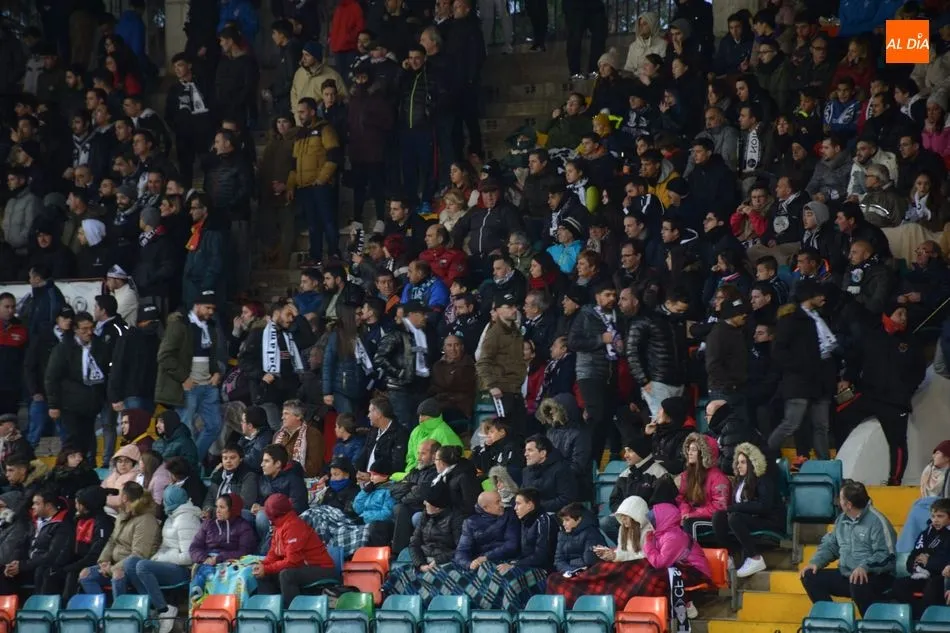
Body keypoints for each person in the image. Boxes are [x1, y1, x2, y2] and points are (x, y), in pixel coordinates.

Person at [837, 303, 926, 485]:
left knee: (898, 442)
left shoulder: (911, 340)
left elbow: (919, 370)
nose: (903, 318)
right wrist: (847, 379)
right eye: (899, 313)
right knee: (840, 415)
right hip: (869, 393)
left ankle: (895, 481)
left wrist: (906, 389)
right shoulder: (871, 335)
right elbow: (855, 359)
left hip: (895, 400)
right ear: (888, 314)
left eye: (905, 314)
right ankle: (839, 466)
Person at [800, 480, 896, 616]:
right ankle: (832, 620)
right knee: (809, 577)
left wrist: (864, 567)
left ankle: (870, 622)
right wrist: (816, 562)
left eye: (840, 498)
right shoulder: (841, 520)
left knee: (858, 581)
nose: (838, 502)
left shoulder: (877, 522)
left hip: (876, 576)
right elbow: (831, 545)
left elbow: (887, 556)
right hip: (848, 574)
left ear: (848, 505)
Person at [768, 280, 836, 460]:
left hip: (820, 382)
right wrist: (801, 365)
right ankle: (764, 455)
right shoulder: (791, 320)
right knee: (791, 424)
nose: (823, 297)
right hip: (799, 382)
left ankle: (824, 465)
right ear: (808, 295)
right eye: (819, 293)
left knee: (821, 426)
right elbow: (778, 351)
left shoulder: (819, 318)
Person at [118, 486, 200, 633]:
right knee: (131, 563)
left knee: (143, 566)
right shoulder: (171, 517)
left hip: (184, 570)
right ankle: (152, 608)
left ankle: (164, 610)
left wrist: (164, 558)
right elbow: (165, 546)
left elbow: (189, 556)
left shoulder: (187, 519)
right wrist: (157, 557)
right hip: (168, 564)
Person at [155, 291, 223, 459]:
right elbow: (164, 356)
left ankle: (192, 460)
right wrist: (184, 378)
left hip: (208, 385)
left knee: (215, 425)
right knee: (185, 430)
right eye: (207, 308)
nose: (211, 312)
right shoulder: (179, 325)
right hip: (188, 386)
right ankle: (184, 464)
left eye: (213, 309)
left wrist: (216, 372)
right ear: (197, 305)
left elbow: (212, 355)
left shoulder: (210, 327)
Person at [252, 494, 338, 607]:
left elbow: (293, 561)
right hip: (303, 567)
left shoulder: (294, 525)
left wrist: (267, 568)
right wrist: (262, 565)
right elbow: (273, 553)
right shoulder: (278, 526)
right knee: (264, 575)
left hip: (322, 568)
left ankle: (293, 612)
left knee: (286, 575)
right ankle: (269, 611)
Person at [712, 442, 783, 578]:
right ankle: (731, 554)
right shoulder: (740, 481)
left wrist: (736, 508)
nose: (739, 465)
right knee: (718, 516)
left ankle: (755, 557)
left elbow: (764, 506)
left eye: (743, 462)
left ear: (752, 463)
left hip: (769, 520)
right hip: (749, 519)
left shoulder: (763, 479)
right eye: (738, 462)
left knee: (734, 517)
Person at [45, 311, 107, 464]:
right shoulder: (64, 349)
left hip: (91, 404)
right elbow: (52, 377)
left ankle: (86, 467)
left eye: (91, 328)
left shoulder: (99, 346)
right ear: (75, 329)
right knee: (72, 441)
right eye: (84, 329)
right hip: (69, 404)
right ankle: (66, 468)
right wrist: (53, 405)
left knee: (87, 440)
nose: (89, 332)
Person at [79, 482, 160, 595]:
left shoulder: (146, 520)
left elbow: (139, 554)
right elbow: (112, 540)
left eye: (119, 494)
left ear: (125, 498)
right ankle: (102, 605)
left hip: (132, 569)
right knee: (85, 574)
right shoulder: (122, 515)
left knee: (118, 575)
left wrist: (112, 569)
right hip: (113, 565)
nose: (117, 497)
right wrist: (104, 561)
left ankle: (120, 605)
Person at [287, 97, 342, 263]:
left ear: (312, 112)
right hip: (305, 187)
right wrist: (290, 185)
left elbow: (334, 156)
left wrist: (322, 179)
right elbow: (294, 163)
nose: (300, 115)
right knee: (312, 224)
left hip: (321, 186)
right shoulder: (299, 134)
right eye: (298, 112)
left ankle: (334, 254)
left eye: (302, 112)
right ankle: (315, 256)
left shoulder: (325, 129)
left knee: (328, 221)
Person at [3, 489, 74, 594]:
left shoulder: (62, 526)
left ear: (48, 506)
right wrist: (13, 562)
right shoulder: (34, 523)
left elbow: (52, 555)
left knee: (42, 571)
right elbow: (21, 545)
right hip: (29, 565)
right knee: (4, 570)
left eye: (37, 503)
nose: (33, 507)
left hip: (43, 566)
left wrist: (23, 565)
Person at [601, 428, 668, 538]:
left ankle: (641, 545)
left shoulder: (659, 473)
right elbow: (614, 500)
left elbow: (662, 505)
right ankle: (628, 545)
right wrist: (625, 514)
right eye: (625, 451)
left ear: (641, 451)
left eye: (630, 451)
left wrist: (638, 515)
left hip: (649, 520)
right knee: (606, 523)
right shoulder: (625, 474)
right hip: (628, 517)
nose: (625, 455)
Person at [892, 497, 950, 618]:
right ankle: (916, 618)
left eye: (940, 516)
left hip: (942, 578)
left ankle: (925, 619)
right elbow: (914, 554)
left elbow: (946, 563)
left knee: (932, 586)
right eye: (933, 516)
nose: (935, 520)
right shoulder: (926, 533)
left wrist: (929, 562)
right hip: (922, 576)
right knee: (898, 585)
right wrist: (914, 565)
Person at [63, 486, 115, 598]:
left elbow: (96, 554)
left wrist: (72, 567)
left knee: (72, 573)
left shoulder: (103, 523)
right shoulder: (78, 521)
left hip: (95, 564)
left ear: (87, 505)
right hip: (80, 561)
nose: (76, 506)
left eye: (78, 504)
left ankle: (68, 605)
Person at [521, 434, 578, 513]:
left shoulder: (561, 469)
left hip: (556, 516)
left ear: (543, 453)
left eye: (530, 450)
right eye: (525, 450)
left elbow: (566, 499)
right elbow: (522, 496)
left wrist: (537, 508)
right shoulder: (526, 472)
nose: (525, 454)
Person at [273, 400, 325, 478]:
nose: (282, 417)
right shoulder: (277, 435)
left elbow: (313, 467)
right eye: (282, 414)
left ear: (298, 416)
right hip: (279, 479)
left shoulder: (313, 434)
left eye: (286, 414)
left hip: (303, 479)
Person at [202, 444, 259, 514]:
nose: (228, 461)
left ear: (241, 459)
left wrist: (217, 512)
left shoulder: (248, 476)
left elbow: (245, 504)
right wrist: (208, 511)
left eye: (232, 458)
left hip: (238, 515)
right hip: (217, 514)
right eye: (225, 458)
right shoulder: (218, 476)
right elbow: (209, 500)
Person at [554, 502, 607, 572]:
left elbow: (590, 560)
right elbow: (558, 561)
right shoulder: (562, 534)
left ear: (579, 519)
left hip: (589, 572)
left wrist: (574, 567)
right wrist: (572, 570)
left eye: (567, 520)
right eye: (563, 520)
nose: (563, 524)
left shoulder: (591, 532)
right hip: (569, 571)